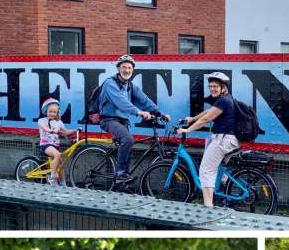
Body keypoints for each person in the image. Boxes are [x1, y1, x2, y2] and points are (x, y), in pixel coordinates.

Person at [98, 55, 170, 183]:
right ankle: (120, 173)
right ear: (118, 68)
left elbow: (145, 100)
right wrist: (138, 112)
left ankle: (122, 181)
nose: (127, 70)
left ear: (133, 70)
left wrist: (160, 113)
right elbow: (121, 101)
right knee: (127, 139)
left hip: (123, 121)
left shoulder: (131, 86)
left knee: (128, 148)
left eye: (130, 68)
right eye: (124, 67)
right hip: (108, 120)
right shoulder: (110, 83)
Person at [177, 72, 241, 207]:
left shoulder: (223, 100)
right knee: (218, 169)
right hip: (229, 139)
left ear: (224, 87)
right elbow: (209, 112)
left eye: (215, 86)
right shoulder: (226, 99)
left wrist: (187, 130)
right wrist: (193, 118)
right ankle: (225, 199)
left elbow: (206, 119)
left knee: (206, 171)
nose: (212, 88)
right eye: (210, 86)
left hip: (222, 139)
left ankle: (208, 207)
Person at [37, 98, 76, 186]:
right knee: (57, 155)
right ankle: (52, 177)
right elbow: (44, 128)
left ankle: (63, 184)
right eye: (50, 111)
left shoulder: (59, 122)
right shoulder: (42, 120)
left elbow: (65, 132)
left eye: (54, 112)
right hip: (46, 145)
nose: (52, 114)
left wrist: (74, 130)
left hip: (55, 145)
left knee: (61, 164)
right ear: (46, 111)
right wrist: (51, 130)